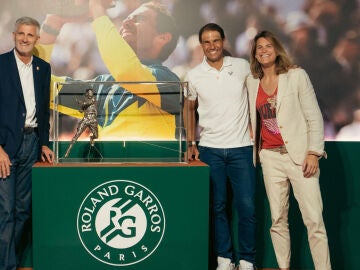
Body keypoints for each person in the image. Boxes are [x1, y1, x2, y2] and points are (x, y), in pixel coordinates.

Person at [246, 30, 331, 270]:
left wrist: (313, 152)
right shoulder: (252, 81)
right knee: (277, 220)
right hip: (270, 158)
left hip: (300, 157)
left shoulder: (296, 76)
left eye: (268, 46)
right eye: (259, 47)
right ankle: (284, 267)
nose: (263, 50)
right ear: (255, 53)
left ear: (277, 49)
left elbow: (314, 116)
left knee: (314, 221)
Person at [37, 0, 181, 140]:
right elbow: (35, 83)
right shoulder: (102, 88)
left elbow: (126, 71)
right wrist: (53, 22)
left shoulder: (168, 81)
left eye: (140, 19)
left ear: (163, 37)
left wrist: (97, 9)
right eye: (127, 17)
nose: (126, 22)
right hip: (105, 165)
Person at [184, 23, 256, 270]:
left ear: (223, 41)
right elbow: (189, 109)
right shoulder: (193, 75)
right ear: (201, 45)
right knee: (218, 207)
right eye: (206, 41)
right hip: (210, 149)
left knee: (246, 207)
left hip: (242, 149)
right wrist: (191, 142)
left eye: (216, 40)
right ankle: (224, 259)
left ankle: (247, 260)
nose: (212, 45)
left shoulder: (242, 67)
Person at [0, 16, 54, 270]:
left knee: (22, 211)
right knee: (6, 212)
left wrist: (44, 143)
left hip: (32, 143)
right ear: (14, 35)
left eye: (30, 35)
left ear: (37, 39)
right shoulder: (0, 65)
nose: (24, 39)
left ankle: (13, 261)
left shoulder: (43, 68)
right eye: (21, 34)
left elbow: (44, 111)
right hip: (5, 148)